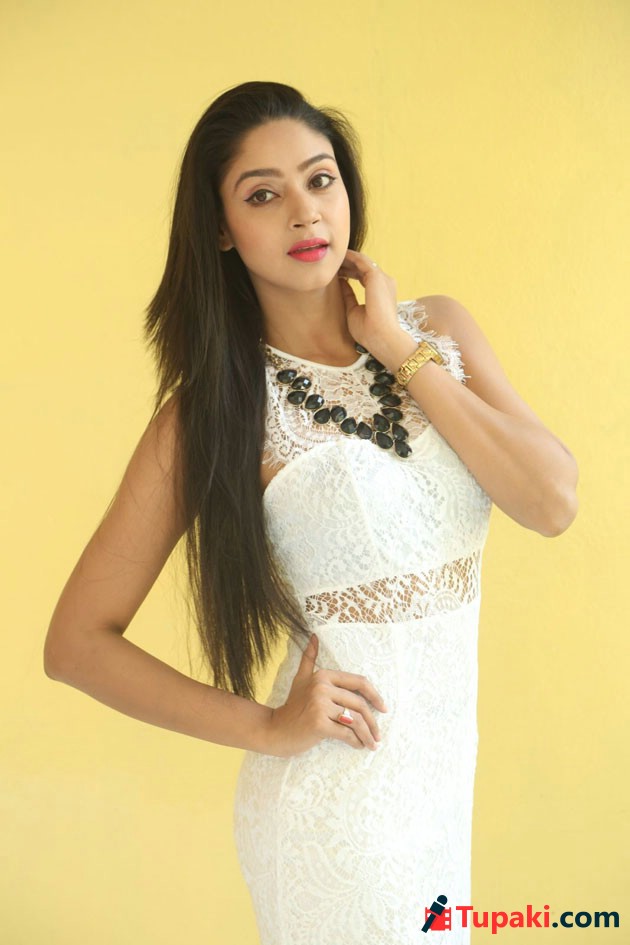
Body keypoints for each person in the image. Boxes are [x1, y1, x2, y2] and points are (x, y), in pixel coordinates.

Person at [44, 81, 579, 944]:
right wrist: (265, 725)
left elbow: (551, 501)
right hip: (333, 816)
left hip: (441, 794)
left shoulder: (436, 331)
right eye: (263, 194)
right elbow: (74, 643)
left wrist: (395, 346)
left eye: (319, 179)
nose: (304, 212)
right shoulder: (216, 410)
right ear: (222, 228)